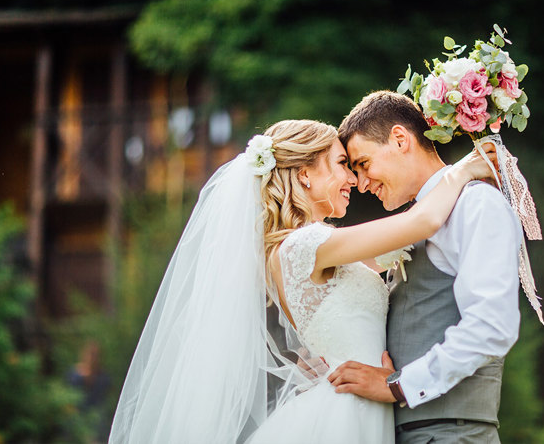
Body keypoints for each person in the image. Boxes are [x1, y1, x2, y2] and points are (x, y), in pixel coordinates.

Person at [108, 118, 497, 443]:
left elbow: (402, 247)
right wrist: (462, 170)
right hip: (349, 410)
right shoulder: (305, 244)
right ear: (306, 174)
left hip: (363, 401)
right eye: (343, 164)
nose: (354, 179)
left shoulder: (309, 247)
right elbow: (421, 223)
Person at [328, 90, 523, 444]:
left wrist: (399, 385)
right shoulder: (413, 223)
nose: (360, 183)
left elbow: (493, 325)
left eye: (363, 164)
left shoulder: (474, 204)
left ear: (400, 139)